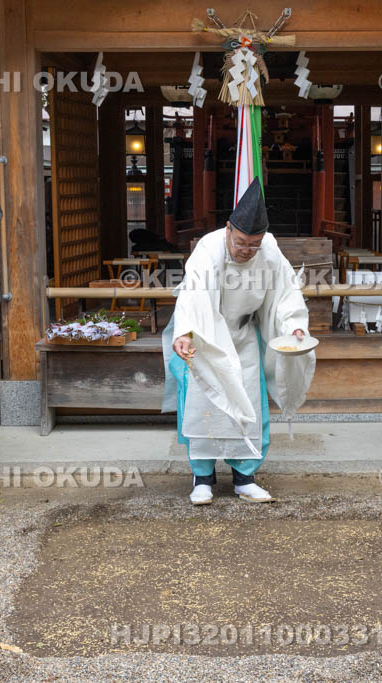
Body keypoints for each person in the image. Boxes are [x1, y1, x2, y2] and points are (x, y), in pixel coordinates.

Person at [163, 178, 314, 505]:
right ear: (229, 229)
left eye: (253, 244)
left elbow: (287, 292)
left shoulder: (269, 250)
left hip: (243, 336)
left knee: (249, 406)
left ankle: (245, 477)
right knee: (203, 406)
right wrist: (186, 332)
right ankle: (202, 477)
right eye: (242, 242)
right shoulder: (209, 247)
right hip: (205, 337)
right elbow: (192, 293)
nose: (247, 250)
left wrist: (294, 326)